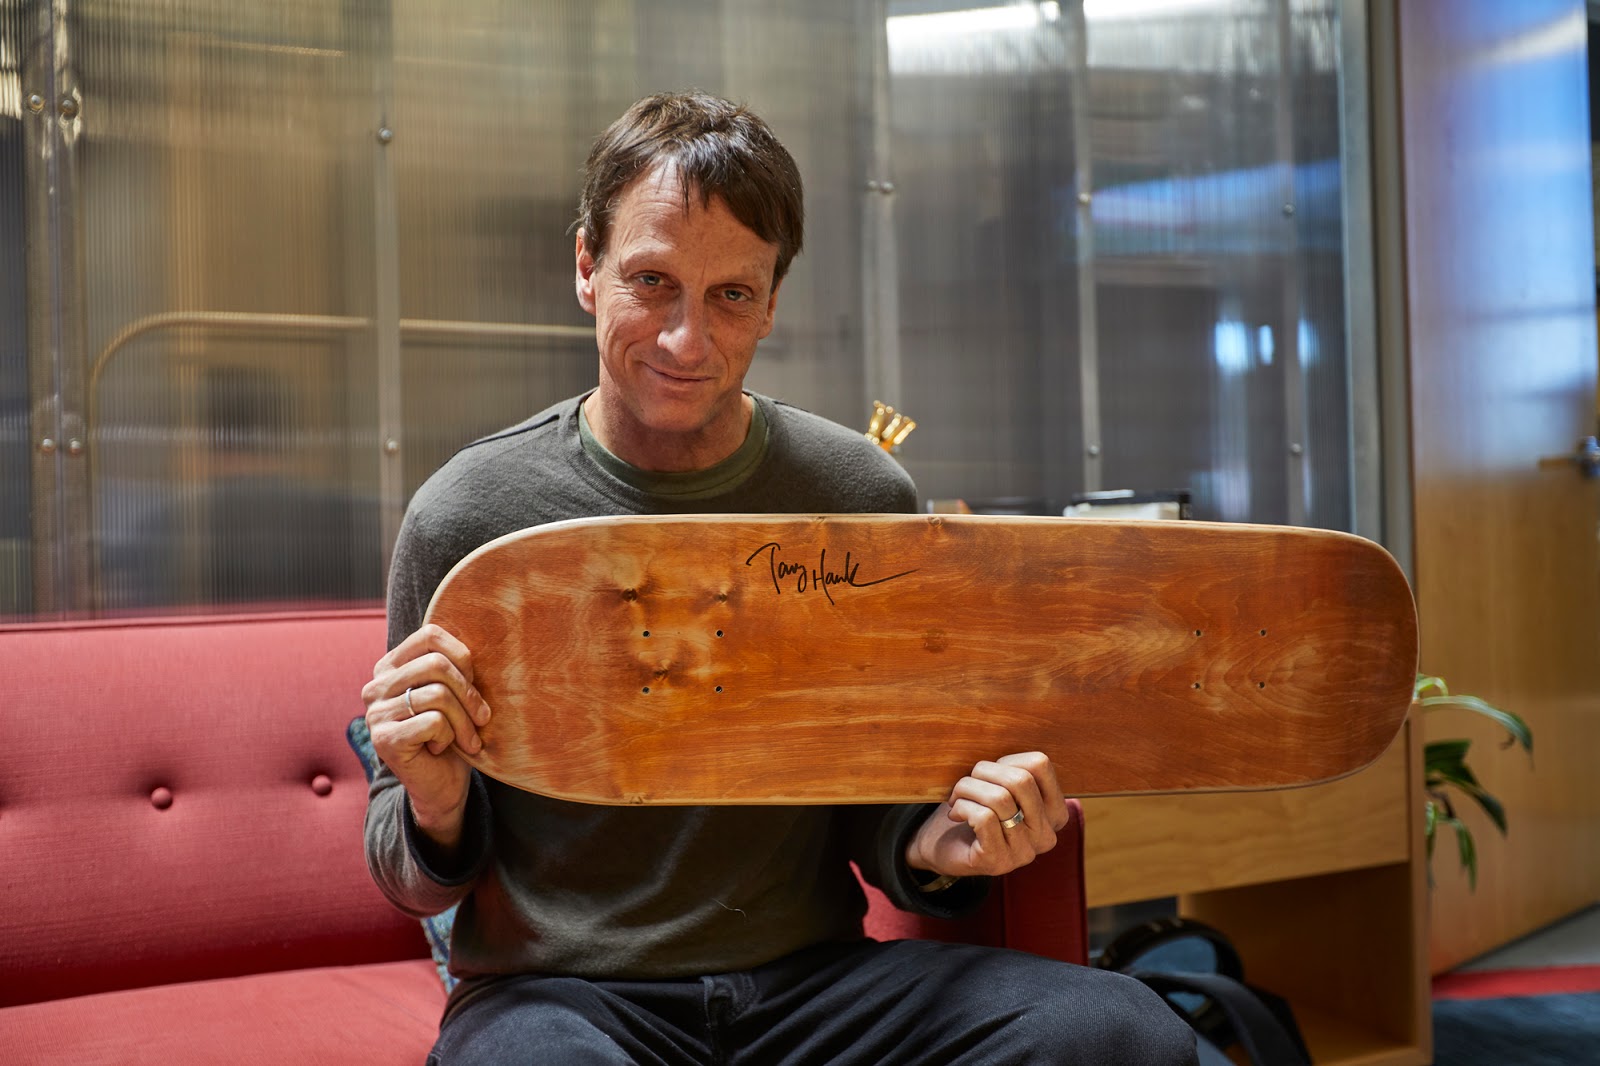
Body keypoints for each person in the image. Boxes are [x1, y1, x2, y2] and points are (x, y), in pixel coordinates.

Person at [362, 90, 1196, 1066]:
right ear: (586, 266)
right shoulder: (467, 516)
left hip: (813, 989)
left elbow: (879, 781)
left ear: (772, 300)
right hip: (560, 999)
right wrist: (434, 802)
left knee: (1124, 1031)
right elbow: (404, 874)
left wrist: (932, 844)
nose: (686, 340)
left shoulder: (857, 494)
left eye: (731, 295)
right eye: (651, 282)